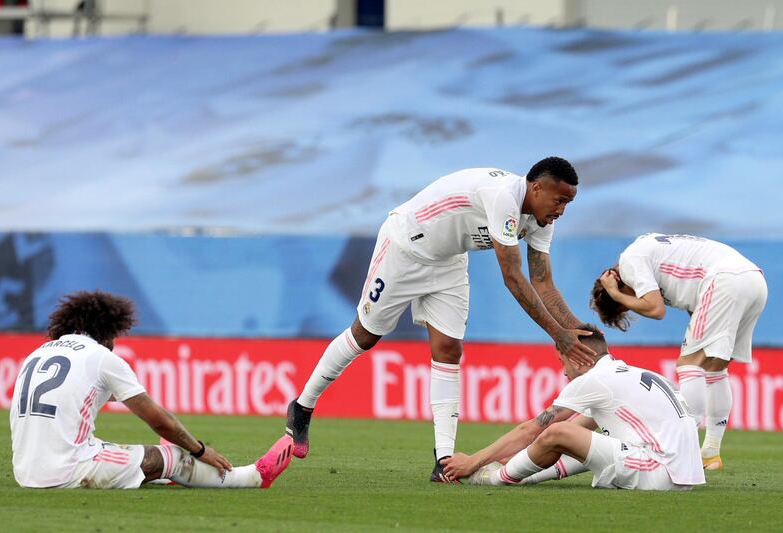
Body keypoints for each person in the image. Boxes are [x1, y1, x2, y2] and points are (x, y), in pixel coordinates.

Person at [286, 157, 596, 482]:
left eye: (568, 203)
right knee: (365, 335)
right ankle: (303, 406)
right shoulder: (504, 197)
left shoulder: (542, 221)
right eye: (559, 200)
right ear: (536, 187)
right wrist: (556, 333)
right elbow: (513, 278)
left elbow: (543, 282)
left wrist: (572, 326)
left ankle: (444, 460)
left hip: (447, 261)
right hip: (405, 247)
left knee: (448, 349)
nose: (562, 210)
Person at [10, 290, 293, 489]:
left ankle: (159, 474)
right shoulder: (101, 357)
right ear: (108, 331)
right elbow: (158, 421)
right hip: (67, 472)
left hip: (25, 473)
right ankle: (253, 477)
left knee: (117, 451)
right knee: (174, 456)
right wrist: (198, 449)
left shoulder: (37, 353)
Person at [440, 325, 706, 491]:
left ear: (579, 358)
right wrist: (522, 455)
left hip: (658, 472)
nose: (563, 372)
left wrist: (473, 461)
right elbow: (577, 433)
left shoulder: (595, 379)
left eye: (562, 361)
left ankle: (494, 479)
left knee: (556, 434)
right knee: (571, 437)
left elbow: (532, 430)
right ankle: (520, 475)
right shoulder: (627, 374)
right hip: (682, 475)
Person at [590, 233, 767, 470]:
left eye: (625, 305)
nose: (636, 304)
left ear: (617, 283)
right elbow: (691, 294)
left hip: (725, 280)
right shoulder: (650, 253)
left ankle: (685, 448)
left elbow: (655, 309)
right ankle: (710, 453)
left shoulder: (630, 261)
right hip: (753, 280)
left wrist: (616, 294)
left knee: (689, 364)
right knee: (714, 367)